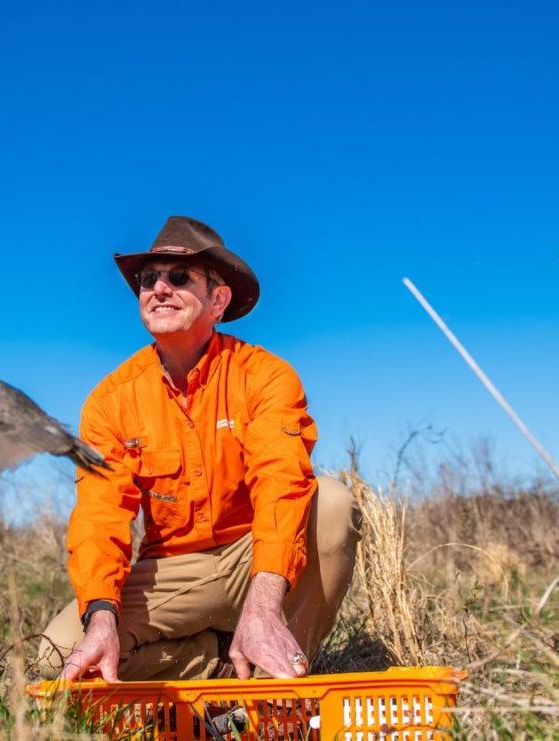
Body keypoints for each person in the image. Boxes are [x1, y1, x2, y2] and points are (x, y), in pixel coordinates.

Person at [37, 215, 359, 682]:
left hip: (257, 557)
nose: (158, 289)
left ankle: (280, 679)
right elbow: (99, 515)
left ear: (219, 299)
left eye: (179, 277)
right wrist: (102, 617)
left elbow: (281, 480)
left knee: (330, 503)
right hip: (174, 570)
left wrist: (265, 599)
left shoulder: (264, 375)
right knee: (57, 657)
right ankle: (218, 661)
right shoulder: (111, 400)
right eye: (148, 280)